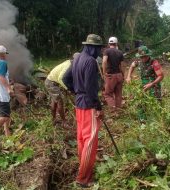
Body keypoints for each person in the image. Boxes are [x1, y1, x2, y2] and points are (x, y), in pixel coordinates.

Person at [71, 34, 103, 187]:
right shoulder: (90, 61)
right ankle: (83, 178)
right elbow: (91, 88)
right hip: (88, 105)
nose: (99, 52)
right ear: (92, 47)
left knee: (82, 139)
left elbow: (65, 78)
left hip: (79, 103)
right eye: (97, 48)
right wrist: (98, 106)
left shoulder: (77, 58)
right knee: (90, 140)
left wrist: (76, 91)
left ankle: (84, 170)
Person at [126, 46, 164, 122]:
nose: (143, 58)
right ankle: (142, 120)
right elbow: (132, 66)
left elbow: (161, 76)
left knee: (156, 103)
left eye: (145, 56)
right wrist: (128, 76)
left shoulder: (154, 63)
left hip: (154, 85)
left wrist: (152, 84)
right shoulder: (138, 61)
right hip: (143, 84)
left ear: (148, 55)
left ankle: (159, 121)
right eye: (141, 57)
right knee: (141, 102)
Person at [45, 52, 79, 127]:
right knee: (60, 101)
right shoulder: (69, 65)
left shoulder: (70, 63)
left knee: (55, 101)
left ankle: (54, 120)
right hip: (51, 82)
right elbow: (61, 78)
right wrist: (68, 88)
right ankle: (64, 122)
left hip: (51, 81)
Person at [102, 36, 124, 110]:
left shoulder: (106, 51)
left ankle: (113, 110)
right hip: (119, 75)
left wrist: (104, 72)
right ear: (116, 43)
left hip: (111, 75)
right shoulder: (120, 52)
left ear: (109, 43)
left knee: (107, 94)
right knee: (118, 94)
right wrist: (123, 75)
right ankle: (118, 110)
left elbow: (104, 61)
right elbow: (122, 65)